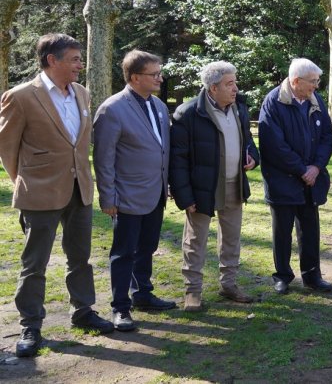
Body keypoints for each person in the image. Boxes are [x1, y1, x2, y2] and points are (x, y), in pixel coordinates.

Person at [0, 34, 113, 357]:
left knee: (80, 257)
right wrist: (27, 181)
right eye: (75, 59)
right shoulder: (20, 96)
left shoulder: (82, 93)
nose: (80, 65)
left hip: (80, 190)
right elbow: (7, 148)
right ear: (53, 60)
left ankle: (83, 311)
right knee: (34, 263)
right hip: (39, 194)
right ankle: (31, 325)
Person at [93, 50, 176, 332]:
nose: (160, 79)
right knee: (124, 252)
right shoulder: (112, 109)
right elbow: (103, 159)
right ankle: (120, 307)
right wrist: (108, 197)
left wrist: (166, 184)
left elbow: (162, 148)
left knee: (147, 247)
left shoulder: (159, 106)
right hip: (126, 196)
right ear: (135, 77)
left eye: (159, 73)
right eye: (154, 74)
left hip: (155, 193)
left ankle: (143, 294)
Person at [169, 61, 260, 311]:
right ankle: (193, 292)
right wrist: (185, 196)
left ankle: (228, 284)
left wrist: (253, 157)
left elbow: (249, 142)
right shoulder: (188, 113)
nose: (235, 88)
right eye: (230, 84)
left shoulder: (239, 108)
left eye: (235, 82)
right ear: (213, 88)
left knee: (231, 238)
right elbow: (178, 160)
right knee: (195, 240)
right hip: (201, 189)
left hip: (234, 184)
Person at [259, 58, 332, 294]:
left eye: (317, 80)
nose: (316, 85)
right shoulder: (273, 102)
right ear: (295, 81)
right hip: (282, 179)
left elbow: (327, 137)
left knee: (310, 229)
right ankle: (282, 276)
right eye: (312, 81)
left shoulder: (315, 100)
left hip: (311, 180)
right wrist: (302, 170)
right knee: (282, 231)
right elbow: (274, 145)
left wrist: (316, 167)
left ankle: (312, 276)